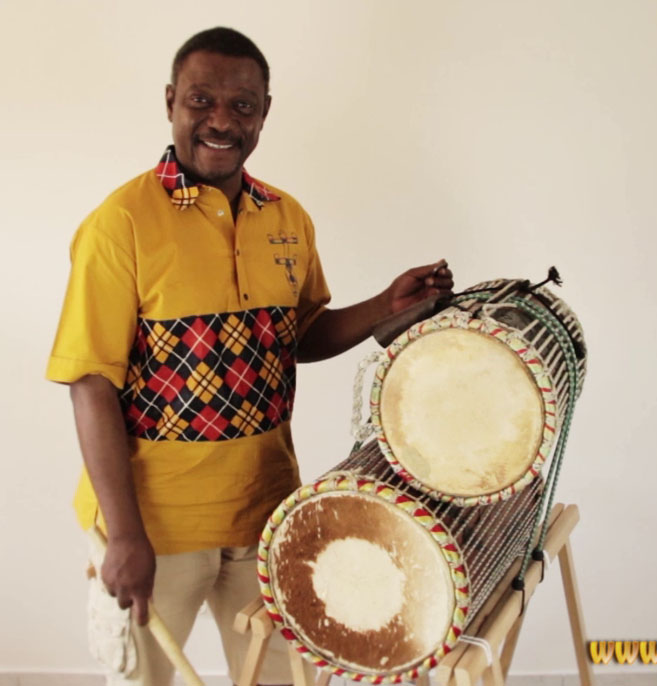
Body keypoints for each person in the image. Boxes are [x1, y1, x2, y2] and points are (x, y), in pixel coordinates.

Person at [46, 27, 454, 685]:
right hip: (155, 527)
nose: (220, 120)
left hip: (266, 512)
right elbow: (90, 382)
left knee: (284, 678)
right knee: (142, 678)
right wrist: (124, 536)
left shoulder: (286, 216)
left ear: (264, 113)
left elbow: (296, 335)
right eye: (201, 100)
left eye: (241, 106)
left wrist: (385, 305)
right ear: (171, 100)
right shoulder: (119, 224)